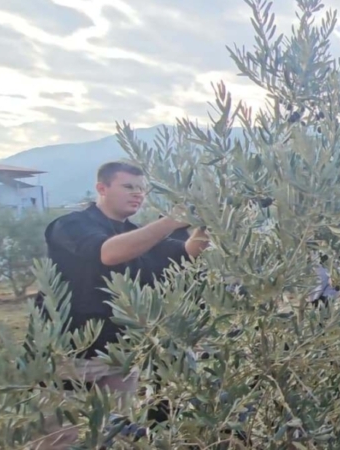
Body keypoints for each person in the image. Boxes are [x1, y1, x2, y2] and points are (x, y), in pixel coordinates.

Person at [29, 161, 210, 449]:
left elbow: (188, 252)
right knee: (61, 439)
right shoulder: (70, 225)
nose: (137, 194)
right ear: (102, 188)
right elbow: (108, 253)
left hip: (118, 356)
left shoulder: (140, 235)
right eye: (128, 187)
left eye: (142, 189)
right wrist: (172, 220)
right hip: (67, 354)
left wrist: (209, 218)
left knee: (113, 437)